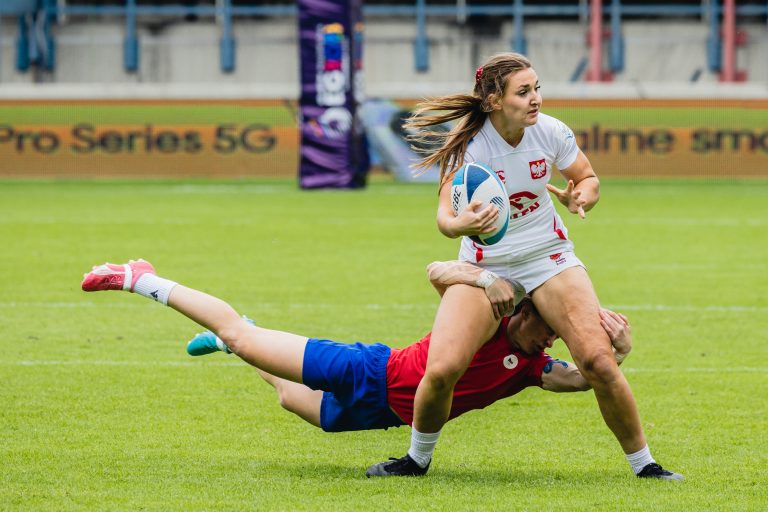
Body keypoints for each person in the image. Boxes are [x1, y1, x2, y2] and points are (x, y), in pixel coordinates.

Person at [366, 52, 682, 480]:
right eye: (524, 91)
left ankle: (646, 466)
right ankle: (415, 460)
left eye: (537, 89)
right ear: (494, 100)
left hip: (547, 256)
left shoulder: (550, 131)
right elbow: (444, 220)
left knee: (598, 361)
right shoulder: (469, 147)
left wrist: (581, 197)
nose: (535, 99)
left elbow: (588, 177)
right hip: (486, 263)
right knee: (442, 369)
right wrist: (463, 223)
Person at [79, 258, 654, 477]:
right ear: (523, 310)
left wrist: (616, 354)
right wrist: (482, 278)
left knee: (287, 397)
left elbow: (581, 379)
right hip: (368, 372)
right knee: (241, 333)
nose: (554, 332)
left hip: (378, 414)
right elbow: (440, 270)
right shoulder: (483, 320)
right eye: (547, 322)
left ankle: (242, 343)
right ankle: (141, 277)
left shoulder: (531, 365)